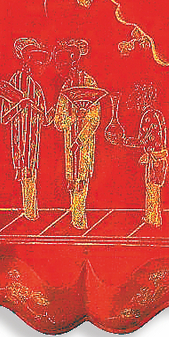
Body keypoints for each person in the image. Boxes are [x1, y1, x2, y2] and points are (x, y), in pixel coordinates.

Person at [0, 38, 52, 220]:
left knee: (32, 174)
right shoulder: (13, 85)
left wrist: (50, 114)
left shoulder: (37, 88)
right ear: (28, 62)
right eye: (38, 62)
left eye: (42, 63)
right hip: (19, 142)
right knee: (24, 174)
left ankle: (31, 211)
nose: (41, 67)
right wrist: (20, 105)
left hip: (34, 142)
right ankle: (28, 211)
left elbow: (44, 119)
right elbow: (4, 118)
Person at [53, 40, 104, 229]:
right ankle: (76, 219)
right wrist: (73, 118)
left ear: (73, 62)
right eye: (58, 63)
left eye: (62, 63)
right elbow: (58, 121)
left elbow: (95, 118)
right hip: (69, 141)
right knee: (72, 181)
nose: (59, 67)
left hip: (84, 143)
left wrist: (80, 139)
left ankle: (79, 220)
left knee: (82, 179)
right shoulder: (66, 87)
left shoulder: (89, 83)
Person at [121, 83, 168, 226]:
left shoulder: (148, 116)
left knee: (152, 187)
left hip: (154, 158)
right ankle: (153, 217)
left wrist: (124, 141)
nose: (137, 103)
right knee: (154, 187)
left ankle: (153, 219)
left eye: (139, 99)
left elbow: (142, 140)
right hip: (160, 157)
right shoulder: (157, 114)